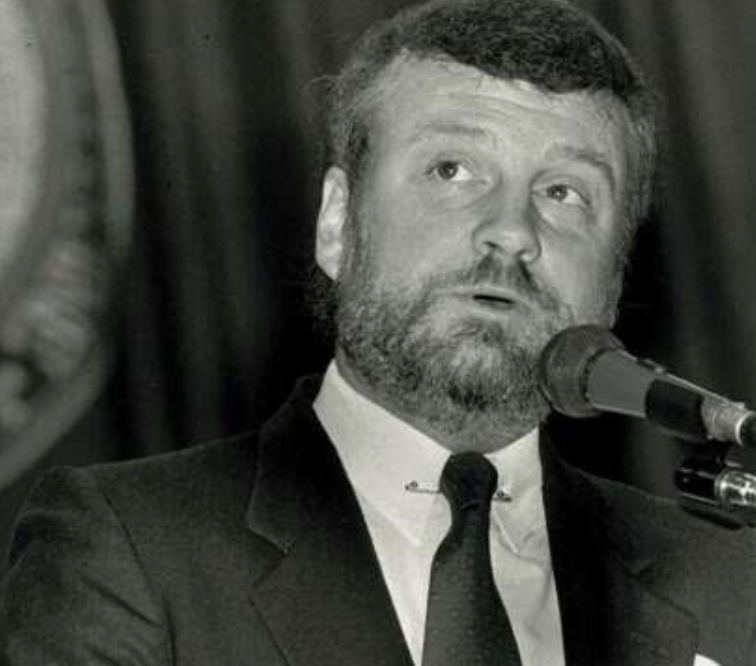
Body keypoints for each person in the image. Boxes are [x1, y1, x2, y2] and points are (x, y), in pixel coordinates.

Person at [2, 0, 755, 664]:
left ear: (615, 278)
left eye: (564, 193)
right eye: (452, 170)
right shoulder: (129, 546)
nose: (512, 231)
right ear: (338, 224)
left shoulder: (726, 580)